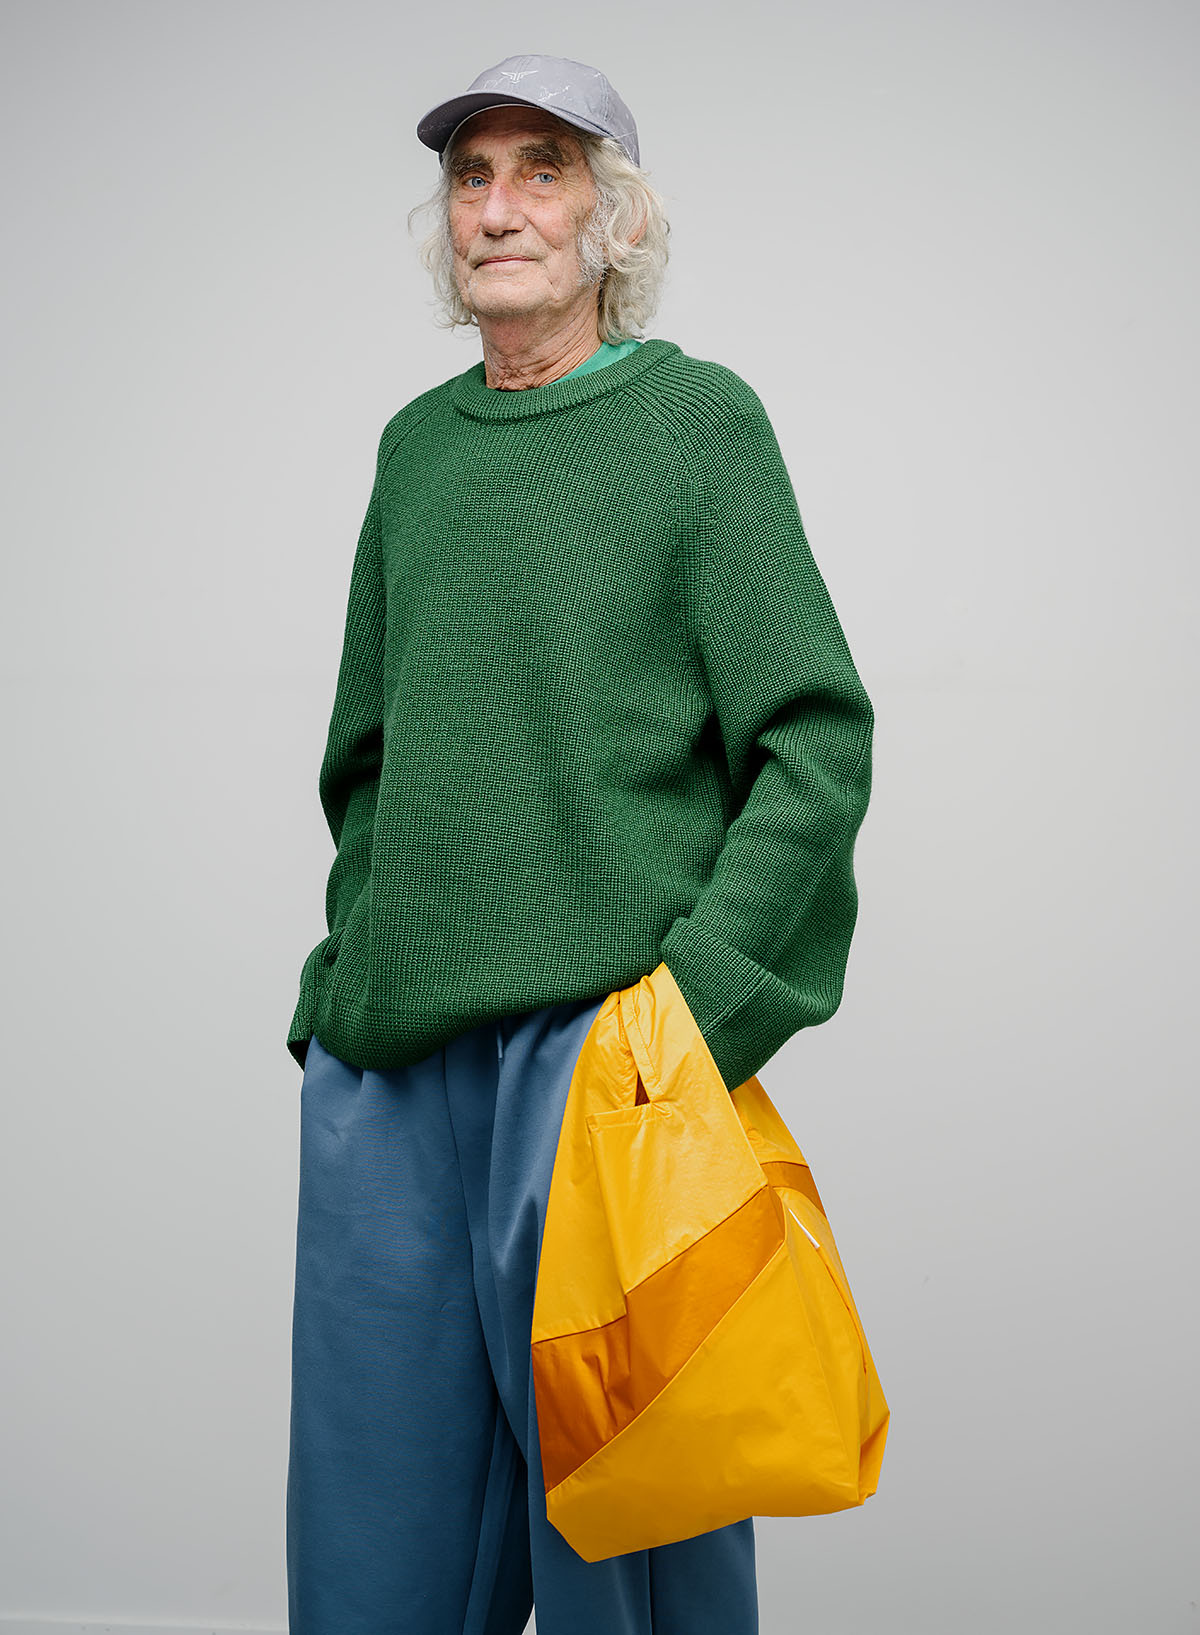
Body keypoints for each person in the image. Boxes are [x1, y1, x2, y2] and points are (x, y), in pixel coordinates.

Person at [284, 52, 874, 1635]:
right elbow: (367, 758)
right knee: (378, 1551)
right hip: (397, 1070)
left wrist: (692, 1010)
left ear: (616, 218)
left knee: (637, 1555)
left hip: (609, 1065)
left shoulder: (696, 425)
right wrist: (344, 984)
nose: (499, 209)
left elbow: (813, 743)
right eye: (471, 177)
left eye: (542, 170)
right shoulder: (416, 451)